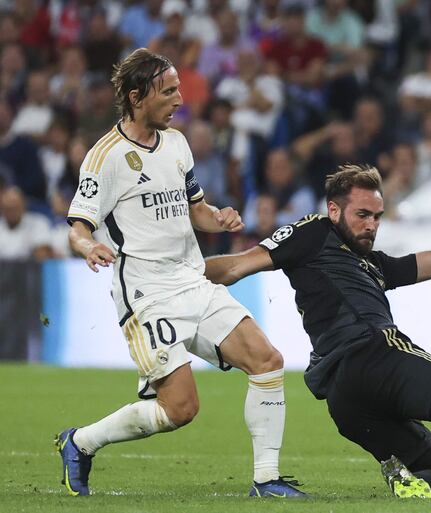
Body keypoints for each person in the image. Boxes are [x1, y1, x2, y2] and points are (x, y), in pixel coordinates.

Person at [204, 164, 431, 499]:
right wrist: (167, 274)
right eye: (362, 214)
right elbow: (236, 267)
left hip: (345, 401)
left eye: (377, 217)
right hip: (374, 352)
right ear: (333, 210)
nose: (371, 225)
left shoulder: (374, 264)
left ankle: (414, 485)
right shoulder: (314, 231)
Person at [55, 48, 305, 499]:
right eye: (168, 91)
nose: (179, 100)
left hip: (193, 280)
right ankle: (81, 441)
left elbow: (196, 212)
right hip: (147, 294)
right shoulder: (104, 157)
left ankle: (266, 480)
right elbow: (78, 226)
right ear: (136, 97)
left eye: (178, 90)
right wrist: (89, 244)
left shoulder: (177, 143)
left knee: (267, 361)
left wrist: (220, 216)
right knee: (181, 409)